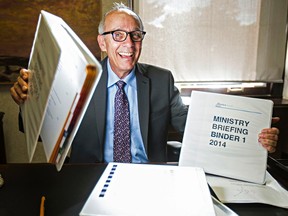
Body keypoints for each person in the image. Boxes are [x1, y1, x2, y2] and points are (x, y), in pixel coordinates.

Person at [10, 3, 279, 163]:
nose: (128, 43)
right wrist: (27, 101)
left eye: (135, 34)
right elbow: (41, 127)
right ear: (102, 42)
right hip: (91, 177)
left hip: (149, 176)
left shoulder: (162, 80)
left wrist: (251, 135)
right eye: (118, 35)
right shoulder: (79, 78)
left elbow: (193, 125)